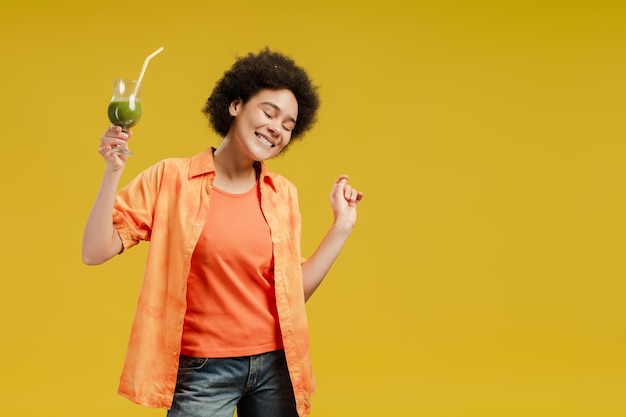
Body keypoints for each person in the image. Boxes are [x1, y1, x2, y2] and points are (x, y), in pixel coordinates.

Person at [82, 48, 363, 417]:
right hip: (201, 371)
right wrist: (112, 171)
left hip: (275, 367)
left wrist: (342, 226)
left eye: (289, 125)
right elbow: (95, 250)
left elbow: (293, 294)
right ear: (235, 106)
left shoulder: (283, 194)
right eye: (269, 112)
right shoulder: (171, 179)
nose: (278, 128)